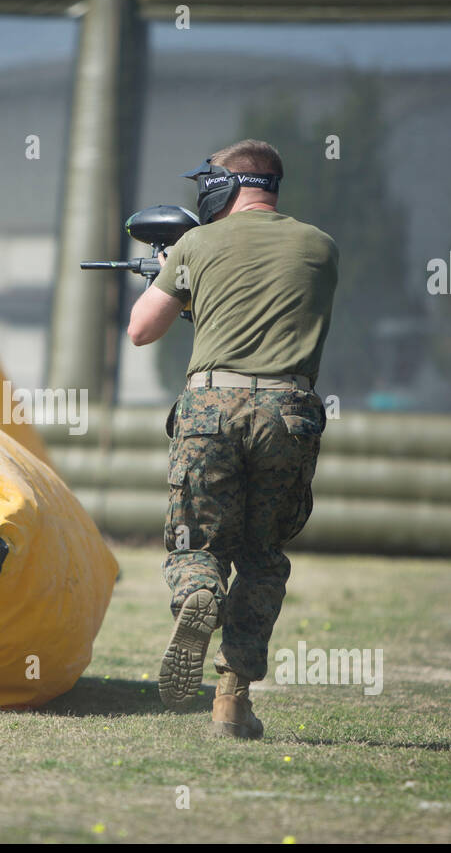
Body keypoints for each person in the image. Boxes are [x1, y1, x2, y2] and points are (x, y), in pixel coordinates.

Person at [126, 138, 339, 739]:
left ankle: (197, 591)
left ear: (222, 186)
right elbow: (269, 308)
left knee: (198, 540)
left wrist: (176, 278)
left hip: (210, 409)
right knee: (263, 558)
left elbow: (142, 330)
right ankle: (231, 698)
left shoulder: (197, 244)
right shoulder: (321, 246)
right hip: (289, 411)